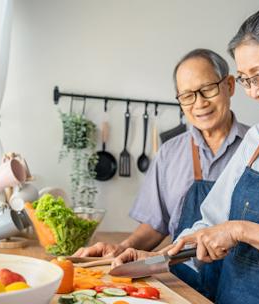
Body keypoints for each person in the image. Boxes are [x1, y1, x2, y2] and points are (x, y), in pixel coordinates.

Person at [113, 5, 259, 303]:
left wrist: (242, 230)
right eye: (246, 80)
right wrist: (155, 257)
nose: (254, 92)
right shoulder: (257, 138)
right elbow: (210, 224)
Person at [73, 49, 249, 291]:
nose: (200, 103)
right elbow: (157, 224)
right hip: (180, 281)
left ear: (229, 85)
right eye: (187, 96)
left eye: (207, 89)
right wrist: (122, 249)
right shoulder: (169, 153)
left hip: (241, 284)